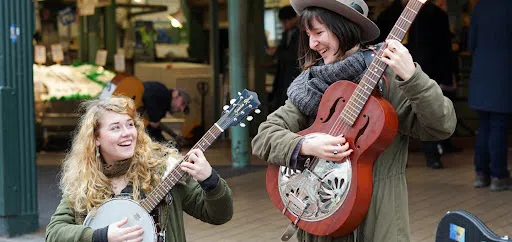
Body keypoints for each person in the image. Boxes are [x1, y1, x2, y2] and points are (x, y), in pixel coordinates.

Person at [251, 0, 456, 241]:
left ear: (343, 27)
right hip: (319, 223)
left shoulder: (388, 76)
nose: (311, 43)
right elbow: (264, 136)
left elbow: (441, 126)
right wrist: (306, 145)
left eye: (318, 33)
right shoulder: (312, 84)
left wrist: (412, 77)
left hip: (377, 227)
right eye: (307, 34)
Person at [45, 96, 233, 241]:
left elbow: (219, 215)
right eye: (115, 128)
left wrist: (210, 180)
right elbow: (54, 233)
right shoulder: (85, 180)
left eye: (130, 125)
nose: (127, 133)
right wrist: (102, 236)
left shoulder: (164, 169)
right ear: (96, 138)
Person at [374, 0, 460, 169]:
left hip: (427, 72)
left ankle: (432, 155)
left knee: (426, 109)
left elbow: (444, 49)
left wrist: (445, 75)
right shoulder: (388, 15)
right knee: (392, 115)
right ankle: (398, 159)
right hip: (390, 75)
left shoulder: (434, 14)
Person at [468, 0, 512, 191]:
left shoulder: (480, 7)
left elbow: (470, 44)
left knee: (483, 127)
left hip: (481, 75)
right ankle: (498, 175)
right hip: (504, 75)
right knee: (499, 127)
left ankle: (481, 174)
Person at [267, 5, 301, 113]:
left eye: (286, 21)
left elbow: (295, 54)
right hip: (283, 75)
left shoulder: (302, 33)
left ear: (294, 18)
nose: (284, 25)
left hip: (295, 75)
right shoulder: (286, 34)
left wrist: (278, 53)